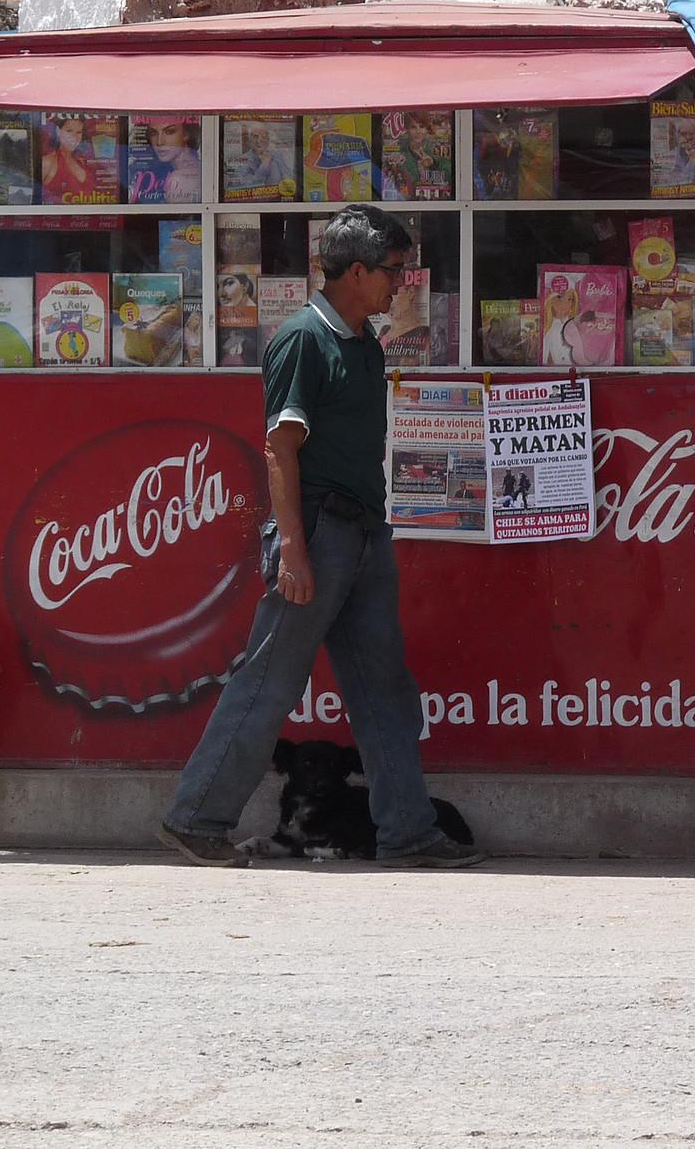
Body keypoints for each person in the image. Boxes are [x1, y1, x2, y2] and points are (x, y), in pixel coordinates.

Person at [158, 204, 483, 870]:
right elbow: (280, 450)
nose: (402, 283)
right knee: (270, 682)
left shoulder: (362, 340)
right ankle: (197, 818)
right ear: (355, 270)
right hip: (320, 533)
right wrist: (296, 553)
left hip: (364, 533)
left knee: (384, 689)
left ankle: (408, 833)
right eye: (393, 270)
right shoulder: (305, 338)